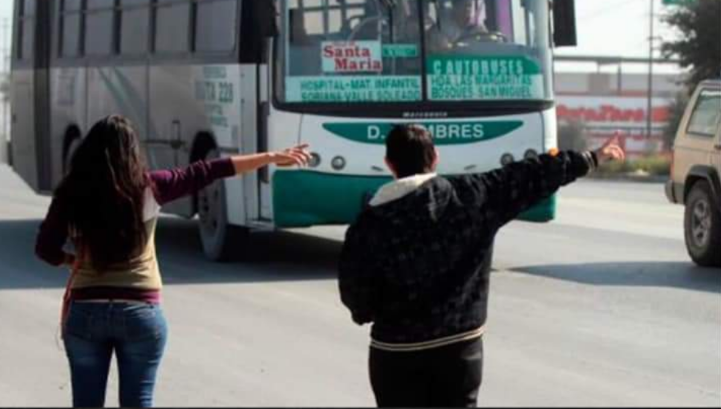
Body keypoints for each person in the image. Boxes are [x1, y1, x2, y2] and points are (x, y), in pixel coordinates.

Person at [338, 124, 625, 408]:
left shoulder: (369, 225)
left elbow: (355, 294)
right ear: (435, 157)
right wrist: (591, 158)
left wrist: (370, 313)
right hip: (461, 351)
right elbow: (530, 174)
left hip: (396, 355)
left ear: (389, 164)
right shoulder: (473, 196)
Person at [35, 115, 310, 408]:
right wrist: (270, 157)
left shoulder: (70, 195)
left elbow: (45, 249)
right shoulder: (151, 188)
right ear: (131, 152)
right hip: (141, 312)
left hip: (85, 312)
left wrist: (72, 260)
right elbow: (209, 170)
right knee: (139, 401)